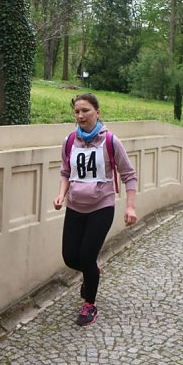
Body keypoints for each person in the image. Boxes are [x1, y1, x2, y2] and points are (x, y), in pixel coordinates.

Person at [53, 93, 138, 327]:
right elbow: (65, 172)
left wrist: (130, 206)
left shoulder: (110, 141)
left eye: (86, 111)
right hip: (75, 206)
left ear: (97, 113)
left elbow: (129, 175)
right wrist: (61, 194)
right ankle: (92, 272)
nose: (80, 115)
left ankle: (89, 303)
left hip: (101, 206)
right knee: (71, 257)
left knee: (87, 256)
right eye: (77, 111)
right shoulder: (70, 141)